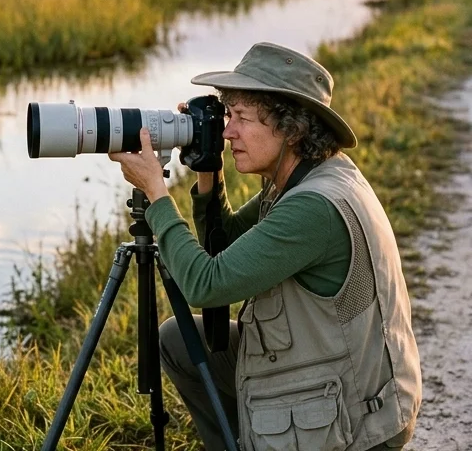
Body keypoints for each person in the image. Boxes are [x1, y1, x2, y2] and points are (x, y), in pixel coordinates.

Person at [109, 42, 420, 451]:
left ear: (291, 129)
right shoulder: (309, 175)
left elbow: (206, 284)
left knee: (184, 328)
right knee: (180, 338)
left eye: (241, 118)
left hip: (358, 423)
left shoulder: (314, 207)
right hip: (343, 375)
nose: (226, 131)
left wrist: (156, 193)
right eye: (227, 116)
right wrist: (209, 168)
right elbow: (226, 242)